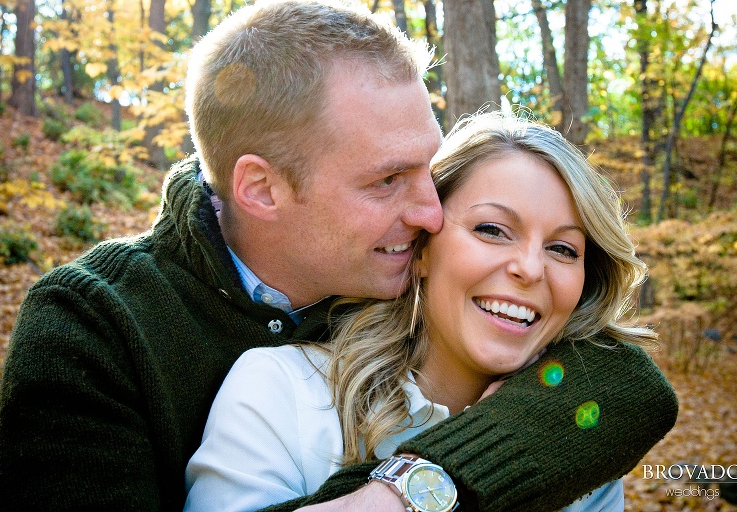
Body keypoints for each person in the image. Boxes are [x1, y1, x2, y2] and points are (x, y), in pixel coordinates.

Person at [0, 1, 678, 511]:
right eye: (387, 180)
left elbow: (626, 381)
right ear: (261, 188)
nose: (431, 212)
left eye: (427, 169)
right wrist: (429, 483)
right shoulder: (95, 325)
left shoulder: (397, 269)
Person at [182, 112, 668, 512]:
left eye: (563, 249)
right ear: (422, 248)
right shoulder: (279, 392)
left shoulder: (576, 434)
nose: (529, 268)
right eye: (493, 230)